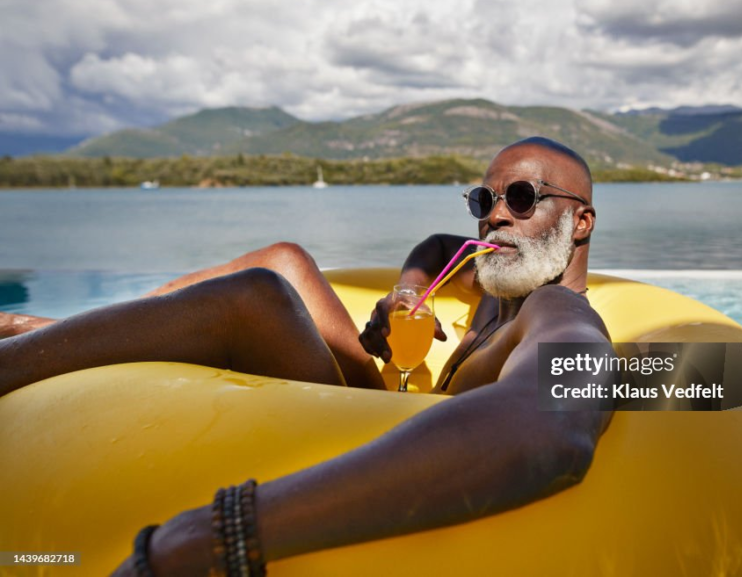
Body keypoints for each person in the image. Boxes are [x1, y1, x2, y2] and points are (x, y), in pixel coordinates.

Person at [0, 137, 616, 576]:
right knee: (285, 261)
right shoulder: (500, 268)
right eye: (485, 200)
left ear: (581, 221)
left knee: (256, 297)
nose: (497, 216)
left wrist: (220, 534)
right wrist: (407, 292)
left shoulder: (556, 311)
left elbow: (554, 427)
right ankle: (55, 331)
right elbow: (436, 246)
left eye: (523, 197)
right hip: (384, 402)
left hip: (388, 443)